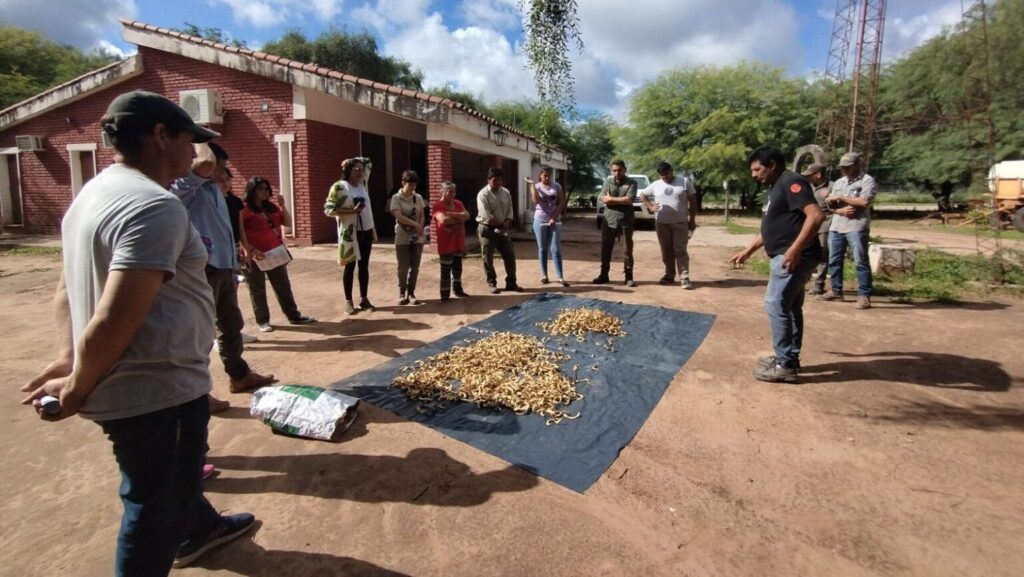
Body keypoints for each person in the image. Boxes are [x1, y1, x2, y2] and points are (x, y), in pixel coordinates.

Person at [21, 90, 255, 575]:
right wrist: (75, 386)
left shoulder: (92, 193)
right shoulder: (154, 206)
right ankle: (181, 530)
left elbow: (69, 287)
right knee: (153, 509)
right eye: (191, 140)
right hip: (155, 389)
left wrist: (69, 356)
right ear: (160, 134)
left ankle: (200, 529)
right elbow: (115, 316)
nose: (195, 153)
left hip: (140, 383)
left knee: (171, 482)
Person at [170, 143, 275, 396]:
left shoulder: (216, 192)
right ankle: (196, 393)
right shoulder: (185, 186)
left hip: (224, 266)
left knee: (230, 323)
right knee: (201, 332)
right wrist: (198, 136)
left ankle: (239, 376)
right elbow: (205, 162)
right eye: (221, 167)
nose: (223, 173)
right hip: (204, 269)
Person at [729, 145, 823, 383]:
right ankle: (787, 357)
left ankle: (785, 365)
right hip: (785, 254)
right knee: (790, 307)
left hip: (791, 257)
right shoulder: (775, 187)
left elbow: (816, 216)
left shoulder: (792, 182)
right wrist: (748, 250)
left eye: (757, 169)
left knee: (775, 304)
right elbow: (774, 227)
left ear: (772, 165)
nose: (754, 175)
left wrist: (794, 249)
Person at [241, 176, 316, 331]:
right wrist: (251, 250)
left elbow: (287, 223)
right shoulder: (245, 209)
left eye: (266, 189)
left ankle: (293, 315)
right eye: (260, 189)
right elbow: (239, 232)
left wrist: (283, 206)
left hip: (274, 252)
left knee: (283, 285)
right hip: (255, 255)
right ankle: (263, 320)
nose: (264, 192)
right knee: (257, 289)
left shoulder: (271, 207)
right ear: (252, 190)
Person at [820, 152, 876, 309]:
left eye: (848, 167)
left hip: (856, 226)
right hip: (837, 225)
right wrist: (839, 210)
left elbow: (864, 201)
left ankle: (864, 295)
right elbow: (830, 203)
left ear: (857, 165)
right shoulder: (839, 182)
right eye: (843, 167)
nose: (844, 170)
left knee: (860, 261)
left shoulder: (867, 181)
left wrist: (842, 198)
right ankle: (836, 290)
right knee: (834, 260)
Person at [324, 158, 377, 314]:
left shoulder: (362, 185)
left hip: (366, 229)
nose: (361, 172)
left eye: (361, 169)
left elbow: (369, 162)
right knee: (350, 266)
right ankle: (348, 301)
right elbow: (329, 209)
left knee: (364, 266)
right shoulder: (339, 187)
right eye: (356, 169)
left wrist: (356, 160)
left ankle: (364, 299)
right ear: (348, 170)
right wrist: (351, 212)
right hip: (350, 232)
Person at [640, 161, 698, 289]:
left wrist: (692, 220)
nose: (664, 177)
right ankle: (669, 275)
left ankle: (684, 276)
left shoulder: (684, 182)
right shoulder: (656, 184)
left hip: (680, 223)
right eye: (662, 175)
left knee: (680, 250)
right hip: (662, 224)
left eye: (666, 173)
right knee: (666, 251)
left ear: (672, 171)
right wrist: (650, 206)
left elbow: (693, 202)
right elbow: (642, 195)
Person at [476, 166, 522, 294]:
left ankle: (511, 283)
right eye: (495, 180)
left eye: (500, 180)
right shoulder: (483, 194)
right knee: (487, 257)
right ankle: (492, 283)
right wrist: (501, 224)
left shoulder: (505, 192)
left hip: (503, 229)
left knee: (510, 255)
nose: (498, 183)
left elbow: (510, 209)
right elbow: (487, 216)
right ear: (488, 180)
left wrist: (508, 220)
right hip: (487, 229)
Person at [594, 160, 637, 286]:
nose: (617, 173)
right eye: (614, 170)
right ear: (611, 171)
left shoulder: (631, 182)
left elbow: (629, 200)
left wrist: (611, 199)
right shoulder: (608, 182)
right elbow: (602, 198)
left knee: (627, 250)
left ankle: (629, 277)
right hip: (609, 220)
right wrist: (617, 200)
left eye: (619, 170)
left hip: (625, 221)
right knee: (606, 249)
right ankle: (604, 275)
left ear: (625, 170)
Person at [525, 165, 569, 286]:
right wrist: (531, 184)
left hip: (554, 220)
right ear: (540, 175)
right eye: (545, 175)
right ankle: (544, 275)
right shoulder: (536, 186)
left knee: (555, 249)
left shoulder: (557, 186)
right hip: (540, 220)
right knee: (542, 248)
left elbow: (561, 203)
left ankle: (560, 276)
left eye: (549, 175)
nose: (547, 177)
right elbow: (535, 200)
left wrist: (553, 218)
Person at [390, 170, 426, 304]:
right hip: (402, 236)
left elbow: (422, 214)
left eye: (414, 185)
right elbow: (398, 215)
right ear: (403, 183)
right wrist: (415, 224)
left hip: (417, 236)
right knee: (403, 266)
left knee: (415, 266)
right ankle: (401, 292)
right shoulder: (396, 198)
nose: (412, 188)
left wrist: (419, 227)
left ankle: (411, 292)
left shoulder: (418, 198)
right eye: (410, 185)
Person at [432, 181, 471, 301]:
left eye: (454, 191)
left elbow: (467, 216)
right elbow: (444, 220)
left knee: (458, 269)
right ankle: (445, 295)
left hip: (458, 242)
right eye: (450, 191)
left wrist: (451, 214)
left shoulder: (458, 203)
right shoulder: (438, 205)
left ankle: (458, 290)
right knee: (445, 270)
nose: (453, 194)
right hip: (446, 244)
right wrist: (459, 218)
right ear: (442, 192)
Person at [801, 163, 833, 295]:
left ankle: (819, 285)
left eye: (810, 175)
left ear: (818, 175)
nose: (807, 178)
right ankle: (803, 281)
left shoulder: (832, 187)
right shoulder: (808, 187)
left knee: (822, 256)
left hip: (825, 226)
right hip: (809, 227)